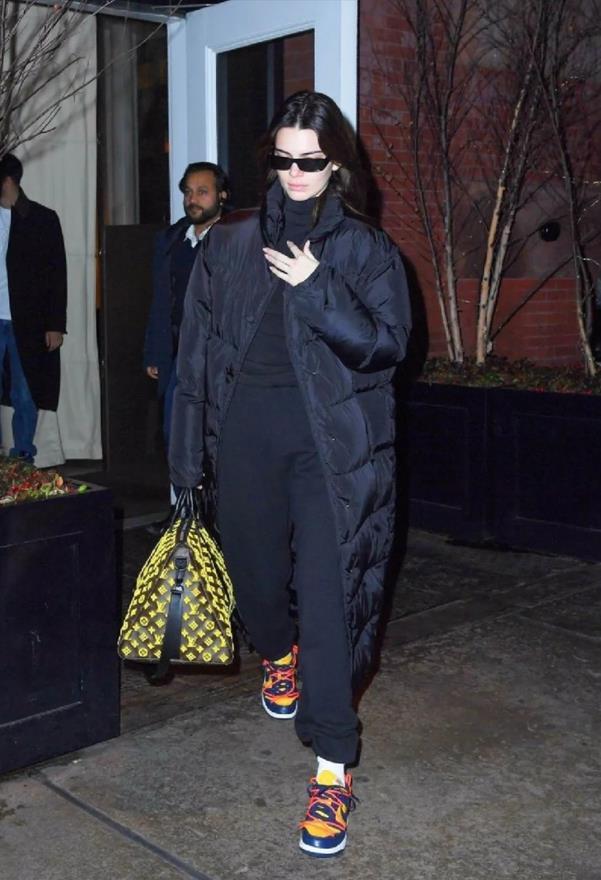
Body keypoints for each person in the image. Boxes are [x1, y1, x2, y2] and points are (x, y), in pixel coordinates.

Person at [169, 91, 412, 857]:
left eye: (312, 159)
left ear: (336, 162)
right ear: (268, 160)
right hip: (244, 443)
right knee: (256, 584)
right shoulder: (228, 245)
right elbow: (193, 357)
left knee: (331, 604)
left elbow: (387, 347)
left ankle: (332, 768)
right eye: (284, 158)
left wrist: (318, 288)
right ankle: (278, 652)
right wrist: (184, 463)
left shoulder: (366, 251)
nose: (297, 171)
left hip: (330, 454)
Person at [144, 161, 229, 534]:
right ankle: (183, 515)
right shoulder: (172, 240)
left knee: (213, 441)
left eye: (202, 191)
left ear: (222, 195)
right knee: (175, 436)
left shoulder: (234, 238)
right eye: (188, 192)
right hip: (176, 355)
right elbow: (160, 300)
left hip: (215, 357)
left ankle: (215, 521)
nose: (193, 199)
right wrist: (154, 351)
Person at [0, 153, 67, 462]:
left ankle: (22, 458)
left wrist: (55, 324)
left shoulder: (42, 219)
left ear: (7, 181)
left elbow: (57, 275)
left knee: (25, 393)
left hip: (25, 322)